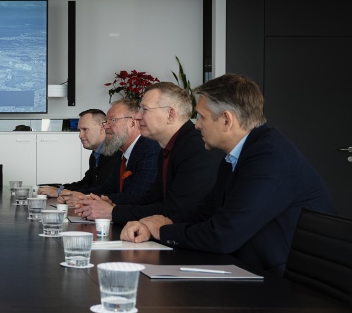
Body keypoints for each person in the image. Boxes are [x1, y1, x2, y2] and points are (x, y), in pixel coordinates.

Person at [121, 74, 335, 274]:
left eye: (202, 117)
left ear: (226, 120)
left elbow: (223, 234)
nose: (197, 125)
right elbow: (205, 212)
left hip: (289, 283)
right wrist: (153, 224)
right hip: (253, 266)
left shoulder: (269, 157)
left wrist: (163, 231)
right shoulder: (237, 155)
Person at [76, 83, 223, 222]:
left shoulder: (197, 148)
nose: (137, 116)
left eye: (144, 110)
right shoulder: (168, 148)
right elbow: (151, 198)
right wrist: (113, 206)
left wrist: (113, 212)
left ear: (170, 114)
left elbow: (176, 209)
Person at [60, 99, 157, 206]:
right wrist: (76, 196)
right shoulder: (122, 153)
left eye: (112, 120)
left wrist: (85, 199)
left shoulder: (149, 149)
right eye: (107, 121)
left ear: (132, 123)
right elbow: (107, 188)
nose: (106, 126)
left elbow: (135, 197)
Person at [39, 109, 120, 198]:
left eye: (85, 129)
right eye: (80, 130)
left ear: (102, 127)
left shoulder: (114, 153)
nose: (80, 135)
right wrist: (58, 188)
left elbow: (102, 190)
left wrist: (61, 192)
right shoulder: (95, 154)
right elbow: (86, 183)